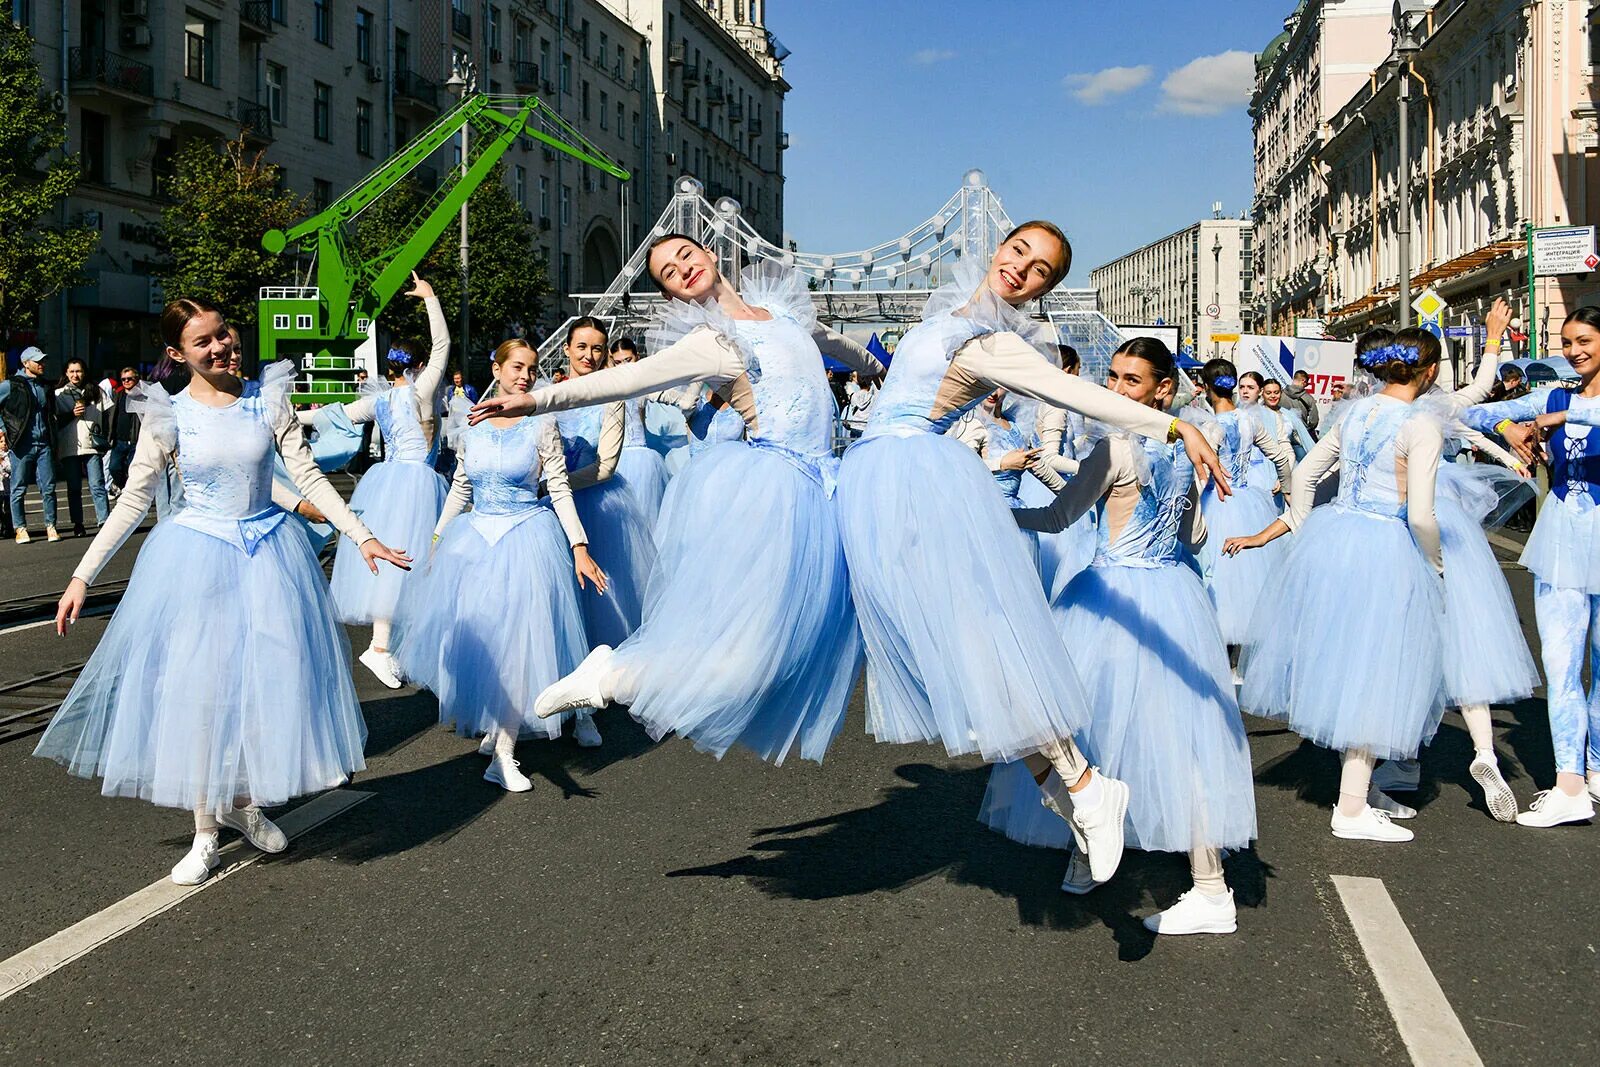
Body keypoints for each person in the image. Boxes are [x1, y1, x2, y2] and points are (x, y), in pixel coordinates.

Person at [833, 221, 1230, 885]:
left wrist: (1172, 422)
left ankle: (1085, 787)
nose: (1023, 267)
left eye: (1041, 269)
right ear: (998, 249)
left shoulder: (992, 342)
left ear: (1044, 289)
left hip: (913, 481)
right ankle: (1079, 794)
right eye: (1019, 250)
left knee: (976, 647)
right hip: (882, 478)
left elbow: (1075, 393)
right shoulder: (950, 315)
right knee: (959, 658)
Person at [36, 297, 409, 885]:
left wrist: (361, 535)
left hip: (268, 557)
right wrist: (82, 574)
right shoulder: (168, 414)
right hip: (197, 559)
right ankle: (206, 831)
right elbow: (135, 499)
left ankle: (244, 803)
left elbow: (307, 474)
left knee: (264, 688)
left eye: (224, 335)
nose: (221, 347)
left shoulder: (268, 398)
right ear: (177, 354)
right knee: (203, 693)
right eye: (203, 341)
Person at [471, 247, 881, 765]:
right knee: (751, 659)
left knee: (788, 653)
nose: (683, 267)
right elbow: (624, 380)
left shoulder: (783, 310)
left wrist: (881, 368)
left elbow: (833, 343)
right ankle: (610, 678)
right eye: (670, 272)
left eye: (685, 255)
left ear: (709, 254)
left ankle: (613, 674)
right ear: (673, 293)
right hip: (777, 493)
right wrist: (536, 401)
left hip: (825, 486)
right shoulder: (711, 342)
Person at [984, 337, 1255, 934]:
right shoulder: (1184, 451)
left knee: (1084, 724)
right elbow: (1192, 537)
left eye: (1130, 381)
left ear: (1163, 390)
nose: (1114, 390)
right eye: (1111, 377)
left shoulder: (1116, 447)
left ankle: (1099, 854)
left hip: (1111, 599)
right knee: (1181, 739)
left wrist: (991, 513)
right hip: (1172, 598)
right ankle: (1201, 881)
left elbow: (1058, 517)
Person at [1228, 328, 1447, 843]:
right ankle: (1350, 807)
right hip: (1386, 546)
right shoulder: (1422, 425)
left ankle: (1362, 788)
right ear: (1431, 372)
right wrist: (1436, 565)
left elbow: (1304, 475)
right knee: (1378, 667)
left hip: (1338, 537)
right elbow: (1420, 514)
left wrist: (1303, 526)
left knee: (1351, 662)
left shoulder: (1355, 412)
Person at [393, 339, 605, 791]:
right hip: (474, 542)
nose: (525, 376)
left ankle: (505, 752)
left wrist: (579, 546)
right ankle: (496, 724)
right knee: (485, 642)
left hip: (526, 539)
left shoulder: (540, 422)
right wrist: (437, 536)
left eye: (531, 369)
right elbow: (461, 488)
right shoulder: (473, 423)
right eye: (516, 367)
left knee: (518, 647)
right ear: (497, 369)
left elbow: (560, 489)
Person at [1460, 304, 1600, 827]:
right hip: (1563, 539)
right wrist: (1508, 424)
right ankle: (1568, 785)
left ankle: (1595, 768)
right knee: (1562, 665)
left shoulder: (1562, 408)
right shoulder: (1554, 393)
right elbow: (1467, 414)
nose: (1573, 351)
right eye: (1567, 342)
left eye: (1583, 339)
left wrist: (1560, 419)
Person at [311, 275, 450, 689]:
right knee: (413, 561)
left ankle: (392, 646)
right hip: (416, 483)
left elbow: (332, 417)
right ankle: (381, 647)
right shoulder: (422, 391)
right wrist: (431, 299)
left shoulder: (379, 399)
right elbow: (443, 345)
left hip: (386, 481)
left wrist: (286, 420)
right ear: (419, 365)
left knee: (398, 564)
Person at [1192, 359, 1294, 653]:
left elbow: (1201, 474)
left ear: (1208, 388)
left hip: (1217, 502)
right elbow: (1280, 457)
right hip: (1249, 503)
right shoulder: (1250, 420)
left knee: (1216, 575)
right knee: (1247, 579)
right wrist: (1287, 491)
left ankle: (1217, 649)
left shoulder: (1209, 427)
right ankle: (1239, 650)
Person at [0, 347, 61, 542]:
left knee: (49, 487)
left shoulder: (44, 386)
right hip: (21, 444)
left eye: (43, 360)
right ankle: (20, 529)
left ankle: (51, 526)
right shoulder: (11, 385)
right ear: (26, 363)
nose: (41, 364)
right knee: (18, 488)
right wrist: (3, 429)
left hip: (44, 443)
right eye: (37, 361)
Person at [54, 357, 111, 536]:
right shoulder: (59, 394)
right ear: (66, 373)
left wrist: (108, 437)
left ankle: (104, 521)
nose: (75, 375)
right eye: (71, 371)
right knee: (74, 487)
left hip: (92, 444)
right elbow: (55, 420)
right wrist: (71, 414)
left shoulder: (96, 391)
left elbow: (109, 414)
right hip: (70, 445)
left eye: (78, 371)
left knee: (97, 484)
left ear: (84, 372)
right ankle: (78, 523)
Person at [106, 367, 143, 492]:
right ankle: (124, 486)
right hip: (119, 440)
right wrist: (110, 435)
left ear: (137, 379)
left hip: (136, 440)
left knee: (132, 468)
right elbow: (112, 415)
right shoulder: (119, 395)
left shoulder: (143, 396)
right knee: (113, 468)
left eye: (129, 379)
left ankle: (132, 493)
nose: (126, 381)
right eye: (123, 379)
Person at [1285, 369, 1321, 435]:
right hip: (1300, 435)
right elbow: (1314, 420)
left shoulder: (1279, 394)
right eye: (1306, 383)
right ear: (1303, 381)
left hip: (1282, 432)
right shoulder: (1309, 399)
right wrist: (1307, 430)